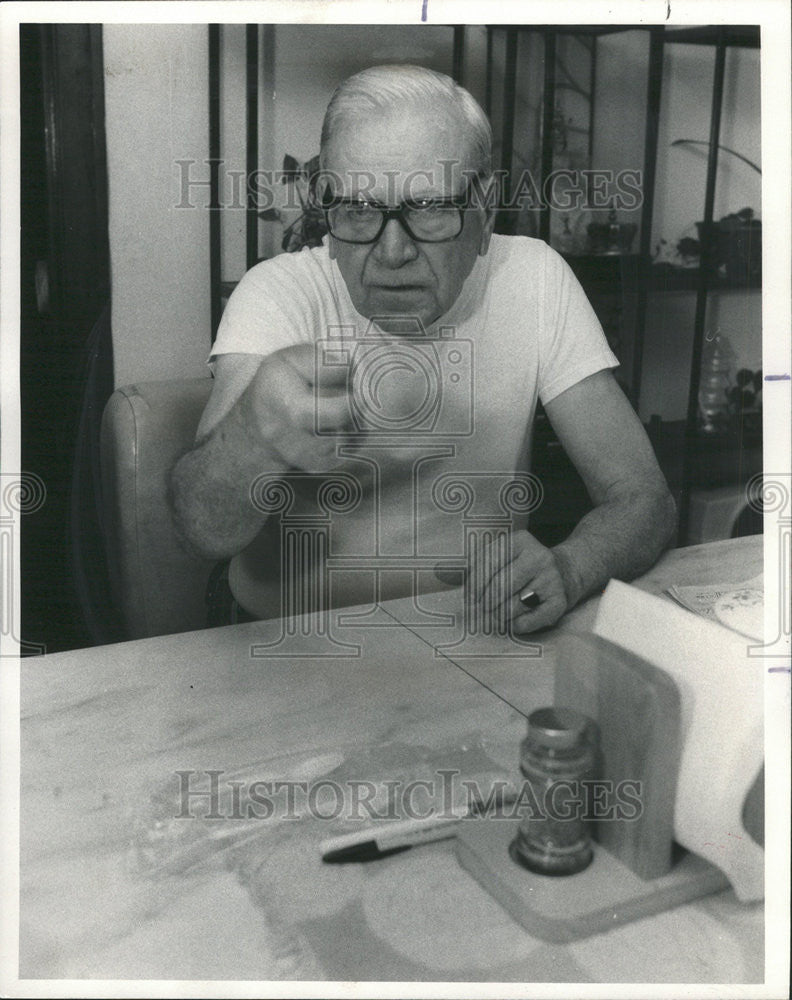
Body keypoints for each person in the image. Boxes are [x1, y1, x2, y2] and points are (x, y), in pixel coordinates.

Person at [170, 64, 675, 634]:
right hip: (287, 644)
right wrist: (252, 436)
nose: (390, 252)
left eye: (430, 207)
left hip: (476, 637)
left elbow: (643, 497)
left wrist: (571, 565)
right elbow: (200, 532)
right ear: (327, 214)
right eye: (359, 209)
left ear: (483, 213)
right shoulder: (279, 295)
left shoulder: (535, 278)